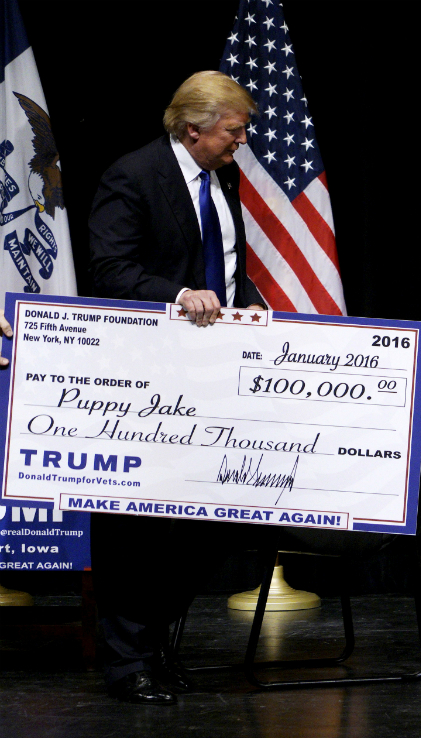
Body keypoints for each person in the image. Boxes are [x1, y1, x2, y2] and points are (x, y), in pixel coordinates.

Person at [88, 71, 265, 704]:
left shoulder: (224, 177)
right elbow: (109, 269)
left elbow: (229, 264)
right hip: (144, 379)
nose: (243, 141)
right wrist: (177, 296)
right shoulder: (132, 176)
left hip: (212, 378)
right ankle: (127, 659)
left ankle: (155, 640)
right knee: (134, 527)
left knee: (208, 521)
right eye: (233, 130)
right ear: (193, 129)